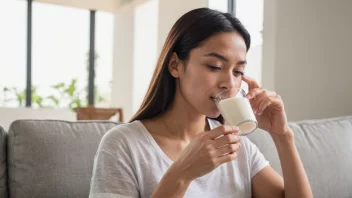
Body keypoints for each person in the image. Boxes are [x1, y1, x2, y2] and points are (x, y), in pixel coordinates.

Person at [89, 8, 312, 198]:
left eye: (238, 72)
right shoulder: (123, 145)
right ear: (176, 65)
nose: (229, 83)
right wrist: (182, 174)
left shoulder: (238, 146)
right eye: (214, 66)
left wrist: (283, 136)